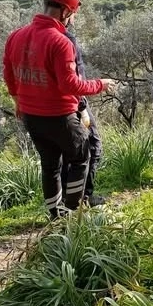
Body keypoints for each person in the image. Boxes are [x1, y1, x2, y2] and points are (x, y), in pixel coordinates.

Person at [3, 0, 115, 218]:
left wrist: (18, 103)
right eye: (72, 14)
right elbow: (70, 86)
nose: (71, 20)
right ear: (65, 12)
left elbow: (9, 75)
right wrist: (99, 85)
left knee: (50, 165)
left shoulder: (16, 36)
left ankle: (55, 215)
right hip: (60, 116)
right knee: (82, 156)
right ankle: (73, 211)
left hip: (32, 117)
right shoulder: (61, 41)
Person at [62, 24, 105, 208]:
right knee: (93, 146)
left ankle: (64, 201)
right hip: (71, 103)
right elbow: (75, 77)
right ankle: (82, 199)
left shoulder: (36, 34)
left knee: (61, 155)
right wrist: (82, 107)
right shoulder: (66, 38)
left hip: (47, 107)